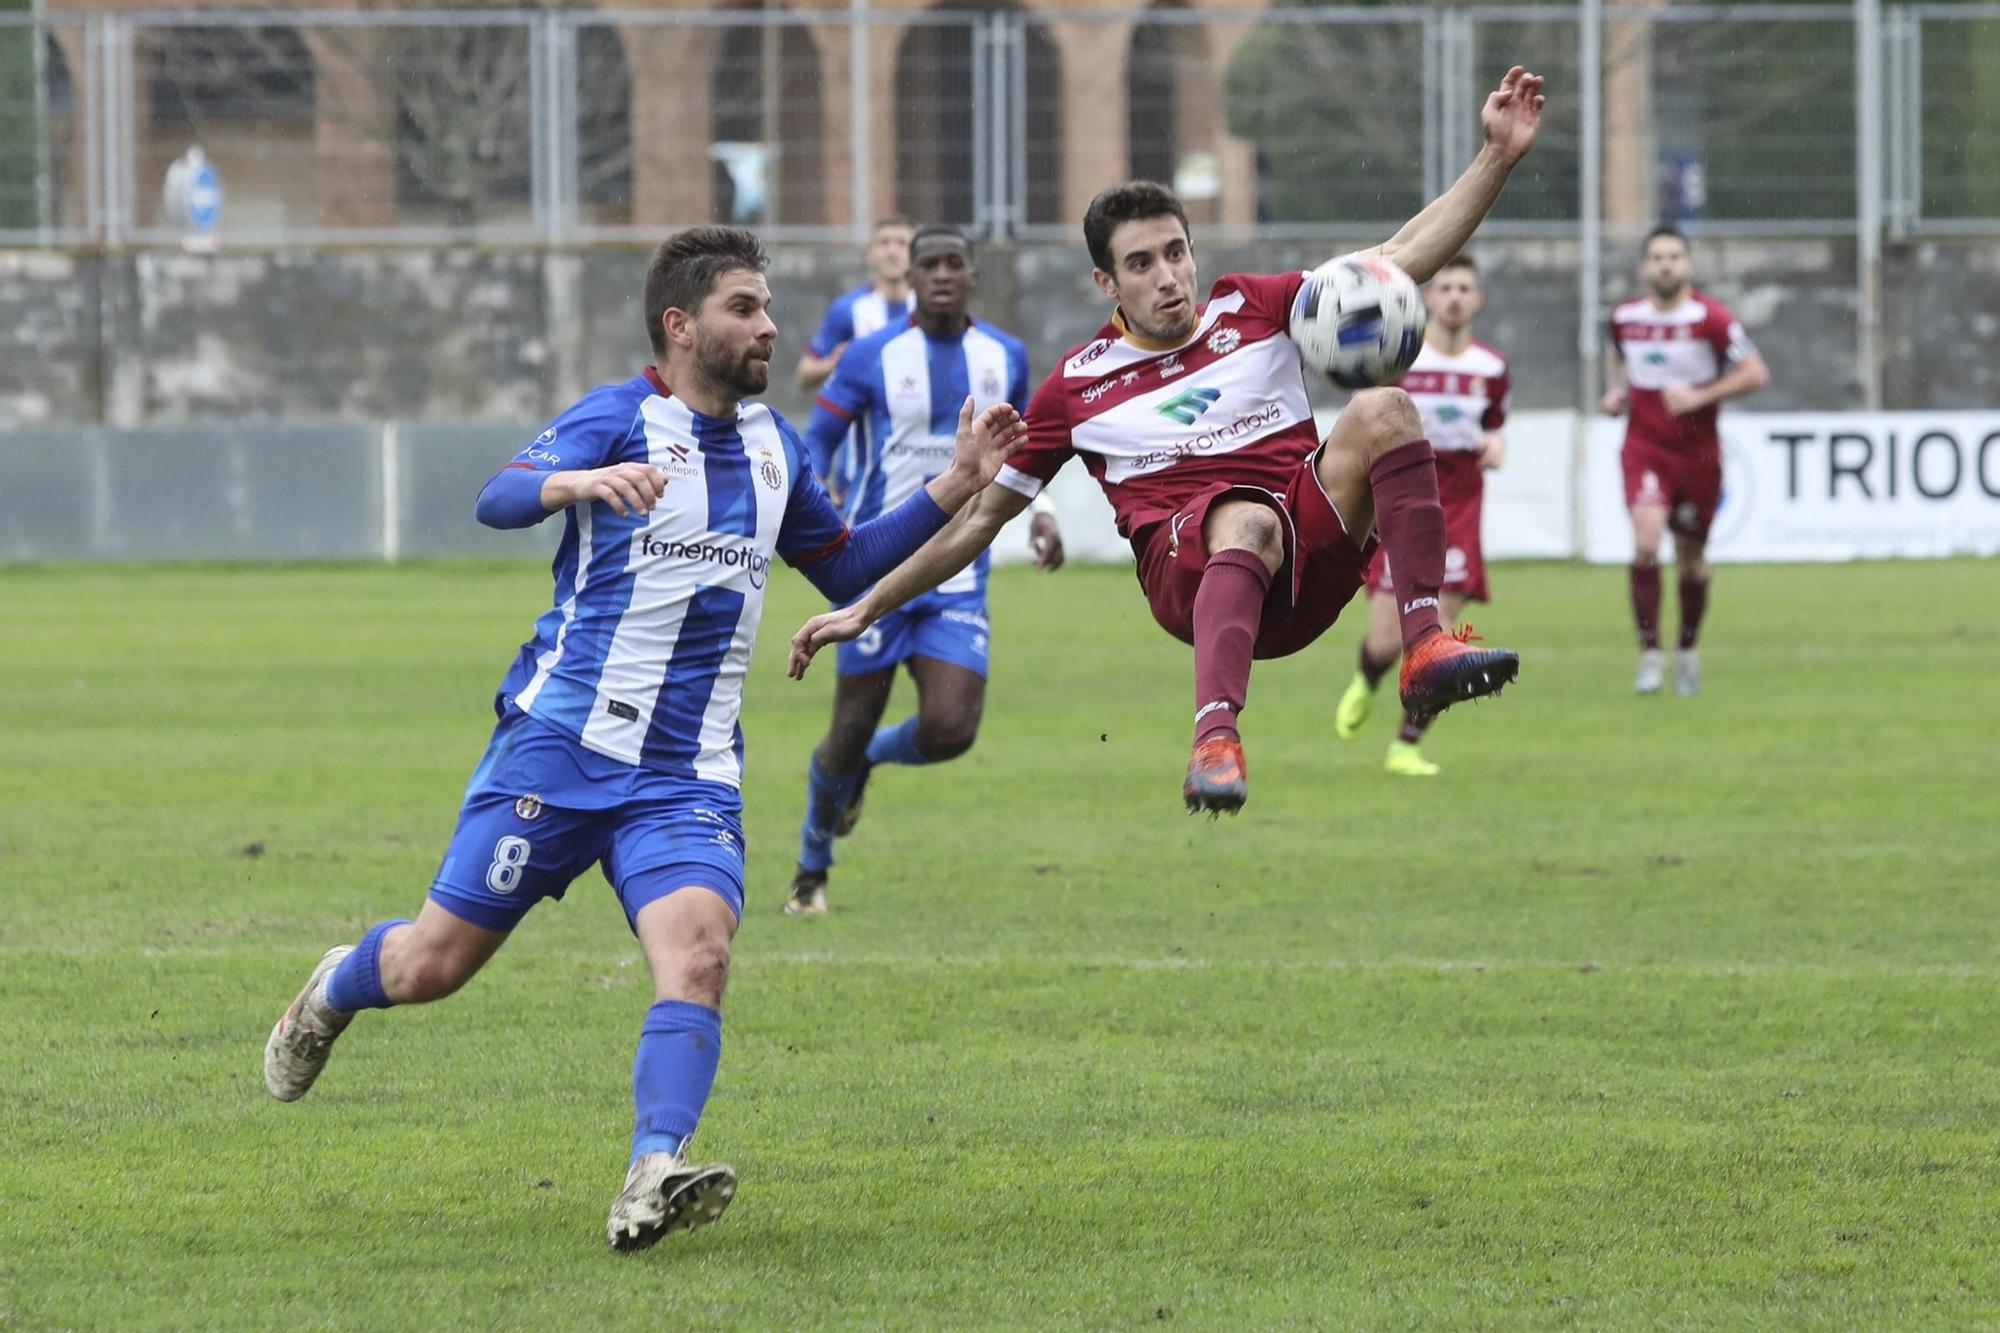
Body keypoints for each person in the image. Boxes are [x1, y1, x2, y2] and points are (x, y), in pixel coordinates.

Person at [260, 226, 1028, 1253]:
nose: (768, 327)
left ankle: (651, 1169)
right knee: (432, 965)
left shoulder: (772, 447)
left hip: (687, 774)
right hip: (559, 748)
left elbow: (845, 569)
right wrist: (574, 483)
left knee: (699, 958)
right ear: (681, 325)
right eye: (745, 309)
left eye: (765, 307)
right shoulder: (618, 418)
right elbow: (496, 498)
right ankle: (331, 987)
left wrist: (958, 480)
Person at [789, 68, 1550, 817]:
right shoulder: (1075, 388)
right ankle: (1215, 737)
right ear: (1105, 282)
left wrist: (1497, 158)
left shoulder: (1253, 306)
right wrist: (866, 605)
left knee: (1385, 407)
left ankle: (1424, 648)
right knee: (1245, 519)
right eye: (1141, 263)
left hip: (1309, 562)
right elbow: (979, 521)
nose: (1169, 277)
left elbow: (1400, 257)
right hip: (1192, 576)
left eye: (1177, 252)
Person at [786, 224, 1061, 917]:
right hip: (879, 564)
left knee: (951, 729)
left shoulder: (1007, 355)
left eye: (954, 264)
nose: (942, 274)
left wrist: (1043, 509)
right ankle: (810, 869)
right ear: (908, 277)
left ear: (971, 276)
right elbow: (818, 441)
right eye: (928, 264)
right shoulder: (873, 355)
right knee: (843, 732)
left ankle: (872, 761)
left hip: (959, 573)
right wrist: (824, 496)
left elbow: (1027, 450)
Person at [1333, 254, 1510, 776]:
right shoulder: (1401, 359)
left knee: (1441, 636)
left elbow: (1495, 425)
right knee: (1388, 639)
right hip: (1402, 503)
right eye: (1446, 287)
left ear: (1476, 300)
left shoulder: (1491, 368)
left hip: (1458, 505)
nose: (1454, 296)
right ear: (1430, 299)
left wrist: (1495, 445)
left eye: (1464, 289)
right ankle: (1369, 676)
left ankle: (1406, 744)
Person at [1602, 224, 1770, 696]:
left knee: (1693, 564)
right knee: (1647, 542)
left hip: (1697, 456)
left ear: (1688, 266)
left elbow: (1756, 372)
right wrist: (1616, 392)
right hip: (1645, 449)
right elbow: (1617, 359)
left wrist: (1701, 395)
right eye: (1657, 257)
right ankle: (1651, 654)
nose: (1666, 265)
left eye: (1675, 256)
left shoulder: (1711, 319)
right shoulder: (1625, 318)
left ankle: (1688, 649)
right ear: (1644, 267)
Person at [795, 217, 917, 502]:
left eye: (902, 243)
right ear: (871, 254)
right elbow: (804, 374)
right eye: (884, 242)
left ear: (915, 254)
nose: (892, 251)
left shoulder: (930, 310)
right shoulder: (849, 309)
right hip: (858, 466)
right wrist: (835, 363)